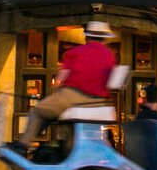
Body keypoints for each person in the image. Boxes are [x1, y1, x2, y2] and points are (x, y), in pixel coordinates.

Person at [12, 21, 117, 151]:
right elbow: (111, 81)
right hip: (99, 102)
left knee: (39, 111)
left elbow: (62, 77)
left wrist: (56, 91)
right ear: (105, 39)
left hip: (73, 95)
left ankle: (23, 145)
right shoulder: (109, 55)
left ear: (87, 37)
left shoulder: (76, 52)